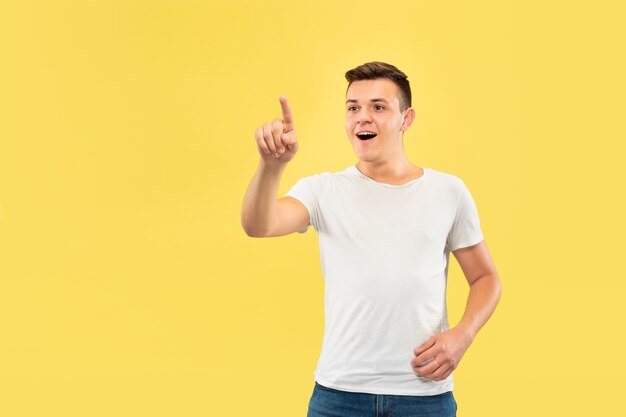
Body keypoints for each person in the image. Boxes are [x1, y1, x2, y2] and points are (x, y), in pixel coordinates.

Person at [241, 61, 502, 417]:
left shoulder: (448, 192)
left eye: (378, 107)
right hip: (339, 396)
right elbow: (259, 224)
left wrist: (464, 334)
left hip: (424, 396)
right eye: (353, 108)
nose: (363, 117)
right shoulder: (323, 191)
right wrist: (272, 167)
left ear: (406, 119)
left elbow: (486, 278)